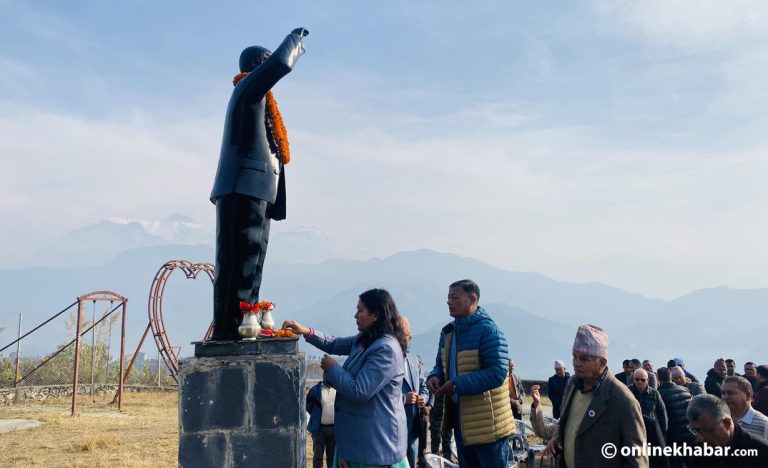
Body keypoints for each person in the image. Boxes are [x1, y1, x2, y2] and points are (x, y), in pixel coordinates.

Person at [209, 27, 309, 341]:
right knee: (239, 259)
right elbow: (281, 63)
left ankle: (247, 320)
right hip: (244, 186)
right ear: (257, 67)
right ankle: (231, 326)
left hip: (257, 189)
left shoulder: (257, 98)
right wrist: (295, 42)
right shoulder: (248, 87)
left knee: (252, 260)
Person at [282, 288, 409, 467]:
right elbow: (334, 343)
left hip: (376, 444)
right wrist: (305, 331)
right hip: (357, 441)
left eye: (360, 310)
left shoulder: (385, 348)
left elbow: (360, 390)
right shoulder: (366, 339)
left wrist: (333, 369)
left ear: (375, 315)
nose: (355, 316)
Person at [427, 279, 515, 468]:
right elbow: (440, 365)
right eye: (448, 297)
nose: (449, 302)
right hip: (462, 423)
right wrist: (434, 377)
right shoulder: (448, 332)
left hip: (489, 426)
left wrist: (458, 384)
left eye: (455, 297)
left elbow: (498, 372)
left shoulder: (488, 330)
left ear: (472, 298)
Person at [546, 324, 648, 468]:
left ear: (602, 362)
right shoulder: (572, 385)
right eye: (574, 357)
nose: (576, 363)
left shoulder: (623, 401)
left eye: (584, 359)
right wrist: (557, 437)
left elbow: (638, 462)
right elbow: (566, 421)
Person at [686, 394, 768, 468]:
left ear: (727, 423)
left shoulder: (762, 452)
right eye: (695, 431)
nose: (700, 438)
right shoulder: (698, 451)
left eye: (707, 431)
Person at [400, 317, 429, 468]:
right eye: (397, 333)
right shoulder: (386, 359)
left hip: (413, 428)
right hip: (392, 428)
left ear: (410, 338)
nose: (400, 337)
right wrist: (404, 398)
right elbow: (379, 393)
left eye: (404, 334)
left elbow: (424, 386)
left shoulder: (414, 360)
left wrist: (423, 398)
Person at [656, 367, 695, 468]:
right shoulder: (685, 390)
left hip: (674, 437)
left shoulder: (659, 394)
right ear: (671, 377)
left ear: (658, 379)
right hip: (690, 434)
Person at [721, 376, 768, 440]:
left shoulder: (765, 425)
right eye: (723, 393)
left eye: (730, 393)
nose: (725, 397)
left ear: (748, 395)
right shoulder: (719, 422)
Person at [306, 371, 336, 468]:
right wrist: (316, 416)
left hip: (334, 429)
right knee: (318, 457)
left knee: (331, 457)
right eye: (328, 375)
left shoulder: (338, 390)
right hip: (319, 430)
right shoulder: (315, 390)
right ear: (324, 376)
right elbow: (308, 406)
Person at [629, 369, 668, 435]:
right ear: (633, 379)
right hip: (633, 429)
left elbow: (662, 412)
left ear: (647, 381)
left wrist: (663, 432)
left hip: (650, 430)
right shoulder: (628, 392)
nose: (639, 381)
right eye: (637, 379)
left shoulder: (654, 393)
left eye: (642, 380)